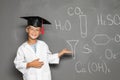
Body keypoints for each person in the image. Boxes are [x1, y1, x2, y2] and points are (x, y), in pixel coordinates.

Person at [14, 16, 72, 80]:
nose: (34, 32)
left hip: (44, 77)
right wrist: (30, 64)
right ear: (27, 30)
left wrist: (61, 53)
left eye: (37, 30)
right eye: (32, 29)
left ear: (40, 32)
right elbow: (18, 63)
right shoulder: (22, 48)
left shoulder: (43, 45)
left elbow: (48, 58)